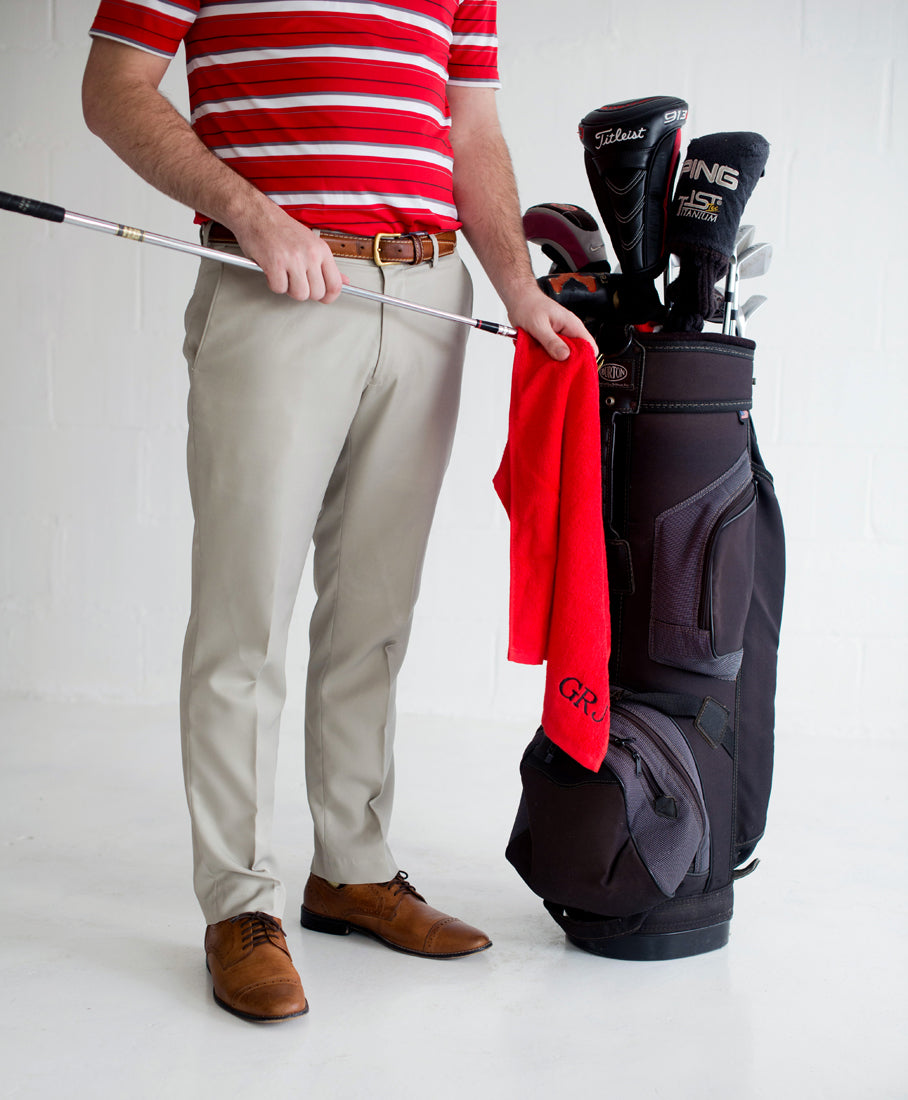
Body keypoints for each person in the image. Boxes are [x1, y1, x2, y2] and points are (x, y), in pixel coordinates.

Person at [82, 0, 592, 1023]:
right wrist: (252, 211)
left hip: (427, 294)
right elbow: (112, 88)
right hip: (275, 283)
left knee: (374, 610)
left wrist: (516, 285)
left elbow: (471, 130)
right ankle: (239, 905)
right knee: (245, 617)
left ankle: (351, 869)